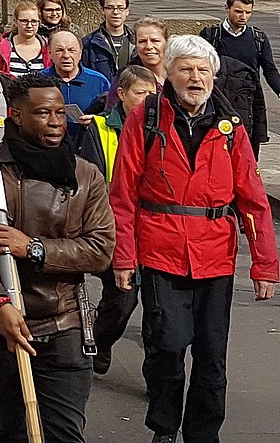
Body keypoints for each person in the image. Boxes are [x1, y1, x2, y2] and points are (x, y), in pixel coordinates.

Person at [109, 35, 279, 443]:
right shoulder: (146, 118)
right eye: (186, 69)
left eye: (203, 70)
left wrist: (265, 264)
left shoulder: (230, 126)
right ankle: (165, 427)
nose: (195, 78)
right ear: (168, 73)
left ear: (214, 75)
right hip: (160, 250)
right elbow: (123, 194)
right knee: (167, 345)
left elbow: (253, 200)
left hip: (215, 254)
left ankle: (204, 434)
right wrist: (123, 257)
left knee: (211, 354)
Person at [0, 72, 115, 443]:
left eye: (60, 112)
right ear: (16, 115)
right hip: (6, 324)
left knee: (65, 434)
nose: (56, 122)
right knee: (9, 433)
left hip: (64, 325)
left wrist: (34, 247)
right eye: (44, 113)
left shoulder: (86, 175)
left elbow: (100, 249)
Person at [88, 66, 160, 376]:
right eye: (140, 93)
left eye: (151, 93)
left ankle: (157, 376)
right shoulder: (100, 128)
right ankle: (99, 341)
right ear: (121, 94)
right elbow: (90, 180)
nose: (146, 99)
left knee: (159, 313)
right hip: (115, 226)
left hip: (155, 228)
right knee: (121, 303)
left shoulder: (163, 127)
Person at [201, 0, 280, 153]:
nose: (243, 16)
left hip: (249, 99)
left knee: (248, 152)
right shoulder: (211, 36)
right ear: (227, 8)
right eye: (238, 11)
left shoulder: (258, 38)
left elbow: (269, 68)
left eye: (248, 12)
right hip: (219, 98)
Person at [46, 29, 110, 121]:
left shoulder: (99, 81)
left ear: (80, 53)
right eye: (59, 50)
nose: (66, 55)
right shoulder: (40, 81)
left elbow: (113, 114)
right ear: (50, 53)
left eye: (71, 50)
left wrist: (97, 120)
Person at [83, 0, 135, 83]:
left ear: (127, 11)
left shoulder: (137, 42)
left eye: (120, 8)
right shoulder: (88, 43)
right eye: (110, 8)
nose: (115, 12)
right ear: (103, 11)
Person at [0, 3, 48, 79]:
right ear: (16, 22)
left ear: (39, 22)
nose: (29, 25)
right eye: (24, 21)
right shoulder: (1, 50)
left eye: (34, 21)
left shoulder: (48, 49)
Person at [129, 18, 169, 83]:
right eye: (142, 41)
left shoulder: (177, 74)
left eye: (155, 41)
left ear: (166, 42)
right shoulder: (127, 78)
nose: (149, 46)